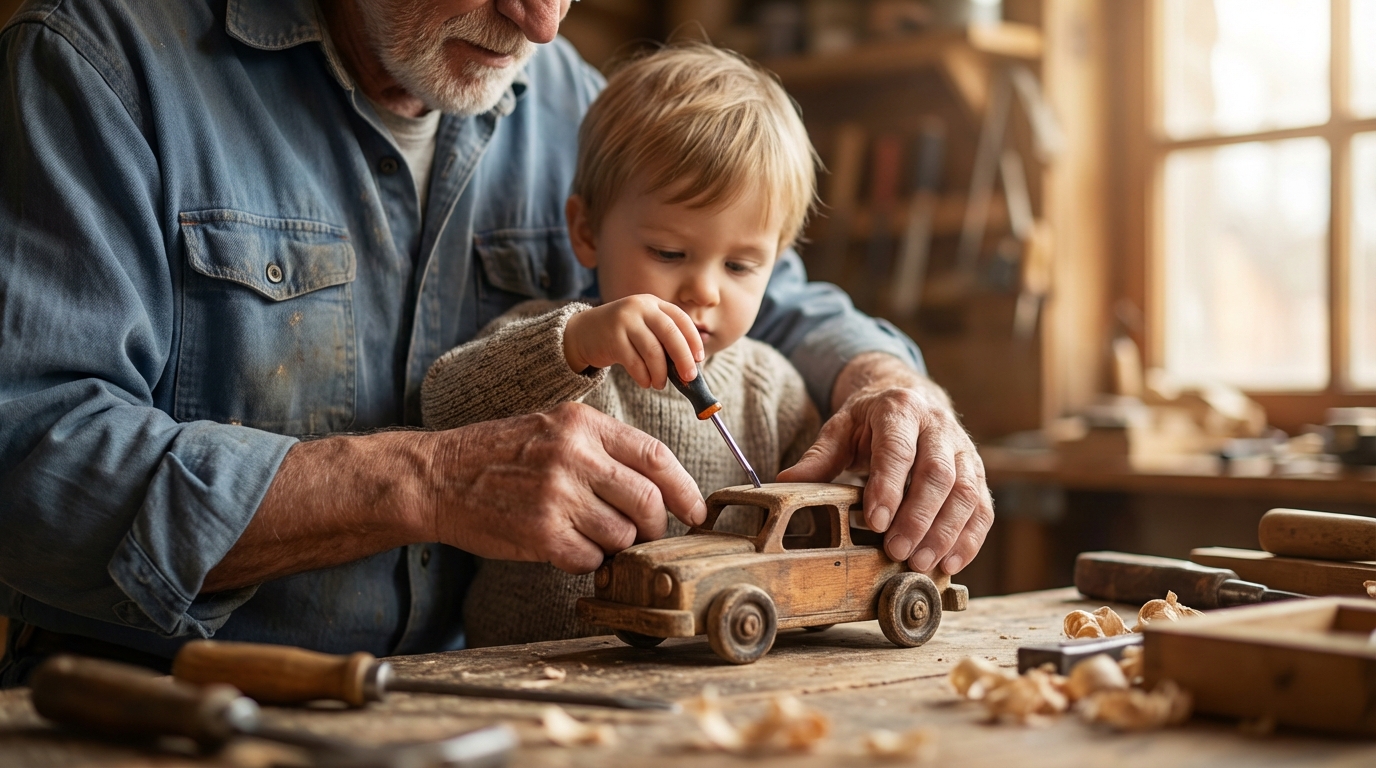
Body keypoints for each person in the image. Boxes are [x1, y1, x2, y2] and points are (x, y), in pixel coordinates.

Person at [0, 0, 992, 682]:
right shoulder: (98, 69)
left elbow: (759, 291)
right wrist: (425, 484)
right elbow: (29, 459)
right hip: (165, 710)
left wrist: (884, 382)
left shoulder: (559, 91)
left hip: (486, 707)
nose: (543, 20)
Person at [422, 44, 824, 646]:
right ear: (587, 232)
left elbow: (817, 524)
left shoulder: (772, 392)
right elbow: (443, 408)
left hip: (720, 684)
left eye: (741, 266)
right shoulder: (555, 342)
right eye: (668, 253)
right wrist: (576, 343)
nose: (703, 290)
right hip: (525, 679)